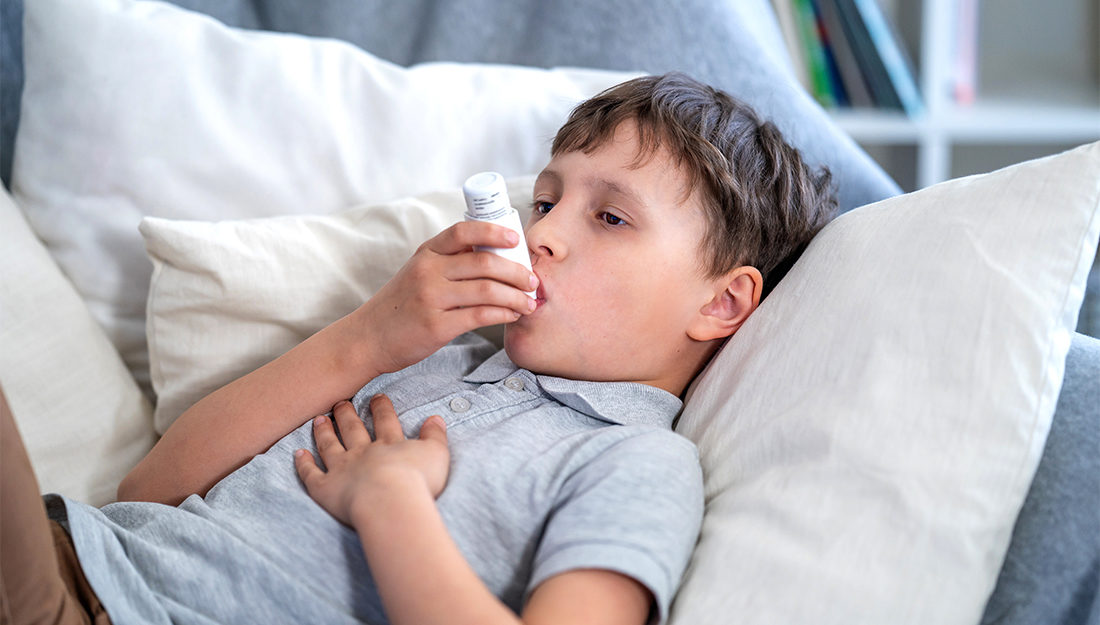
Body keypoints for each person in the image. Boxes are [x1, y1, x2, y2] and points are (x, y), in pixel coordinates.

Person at [0, 72, 836, 625]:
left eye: (609, 216)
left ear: (722, 301)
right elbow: (149, 488)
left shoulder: (637, 464)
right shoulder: (432, 358)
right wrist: (371, 334)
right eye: (545, 201)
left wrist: (389, 500)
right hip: (79, 554)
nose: (540, 232)